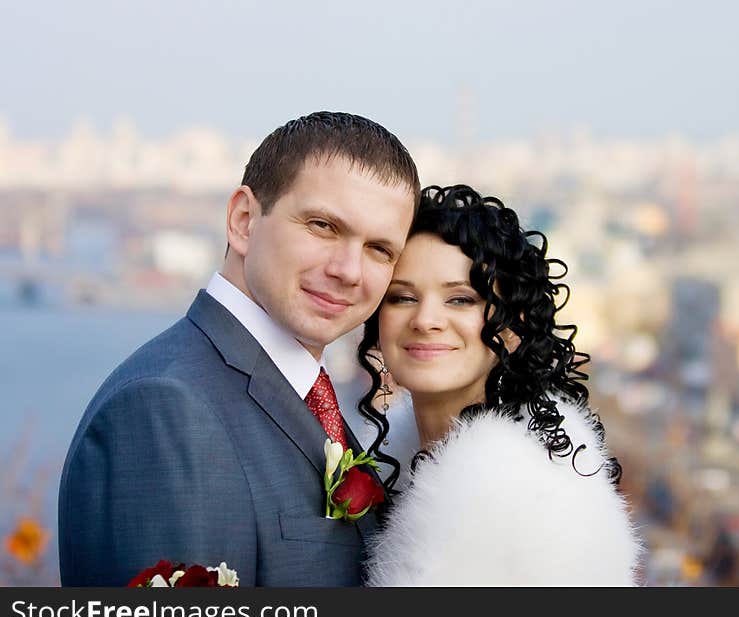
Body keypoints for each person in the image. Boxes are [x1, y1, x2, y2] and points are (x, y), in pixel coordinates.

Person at [58, 112, 420, 586]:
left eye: (379, 249)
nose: (349, 270)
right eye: (323, 226)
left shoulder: (304, 398)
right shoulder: (165, 410)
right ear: (244, 221)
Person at [357, 184, 641, 586]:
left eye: (461, 300)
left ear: (513, 328)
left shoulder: (517, 500)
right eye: (402, 297)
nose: (425, 320)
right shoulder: (400, 468)